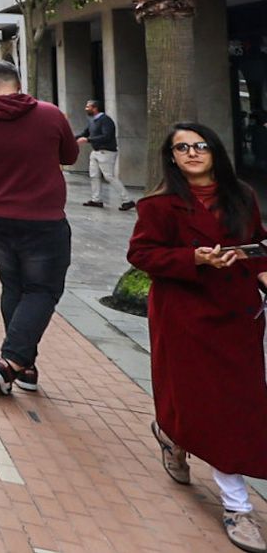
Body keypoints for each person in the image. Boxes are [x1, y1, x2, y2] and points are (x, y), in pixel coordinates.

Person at [129, 122, 267, 553]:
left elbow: (259, 243)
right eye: (181, 148)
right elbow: (141, 254)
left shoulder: (241, 195)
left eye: (199, 145)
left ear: (215, 151)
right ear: (171, 157)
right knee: (203, 402)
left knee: (238, 407)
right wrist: (194, 258)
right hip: (185, 317)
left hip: (239, 315)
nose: (191, 153)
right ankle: (237, 506)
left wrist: (261, 271)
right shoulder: (159, 205)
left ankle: (171, 433)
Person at [0, 59, 79, 395]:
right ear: (18, 83)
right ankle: (10, 362)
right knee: (42, 290)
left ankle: (26, 367)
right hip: (44, 218)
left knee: (14, 287)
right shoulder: (51, 114)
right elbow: (70, 155)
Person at [77, 99, 131, 210]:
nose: (86, 108)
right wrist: (71, 138)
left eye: (88, 106)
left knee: (109, 176)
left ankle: (127, 200)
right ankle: (96, 200)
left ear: (95, 108)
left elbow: (106, 136)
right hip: (95, 152)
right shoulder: (92, 120)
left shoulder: (106, 120)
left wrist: (87, 140)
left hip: (106, 152)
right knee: (94, 176)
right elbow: (84, 133)